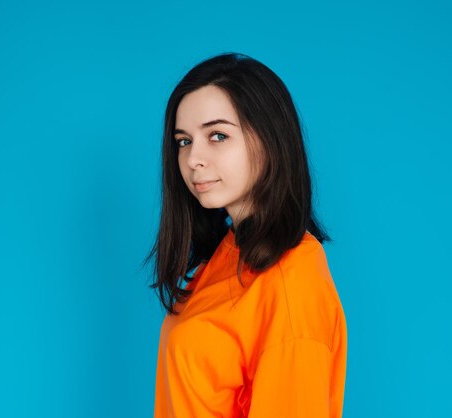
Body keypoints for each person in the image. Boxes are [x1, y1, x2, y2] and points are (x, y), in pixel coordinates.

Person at [143, 52, 347, 418]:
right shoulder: (228, 254)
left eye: (217, 135)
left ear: (269, 140)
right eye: (184, 141)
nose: (192, 159)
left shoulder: (290, 283)